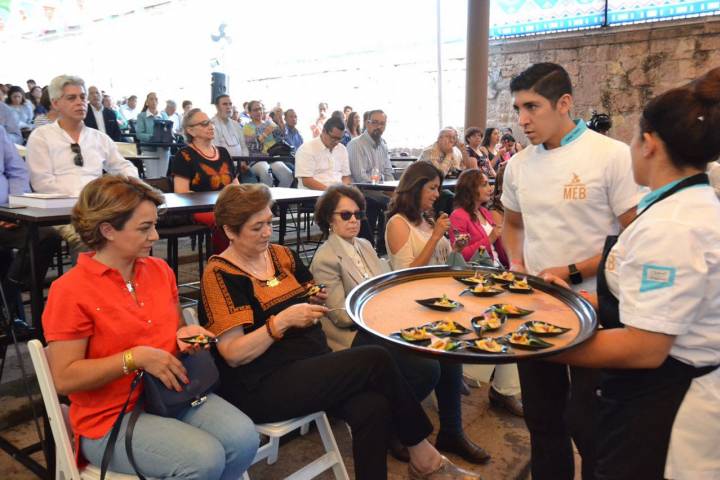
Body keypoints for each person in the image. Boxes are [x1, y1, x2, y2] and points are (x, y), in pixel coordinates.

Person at [200, 182, 481, 480]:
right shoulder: (219, 274)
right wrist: (280, 321)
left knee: (374, 407)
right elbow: (233, 355)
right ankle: (424, 457)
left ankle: (418, 459)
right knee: (375, 357)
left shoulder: (280, 255)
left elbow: (309, 290)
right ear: (230, 231)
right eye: (257, 228)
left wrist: (313, 298)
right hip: (262, 383)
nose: (268, 233)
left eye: (269, 222)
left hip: (310, 364)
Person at [540, 67, 720, 480]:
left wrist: (537, 346)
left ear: (650, 144)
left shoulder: (673, 225)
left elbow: (645, 346)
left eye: (634, 137)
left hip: (667, 404)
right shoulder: (678, 204)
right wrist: (569, 303)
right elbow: (644, 302)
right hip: (652, 393)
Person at [42, 175, 258, 479]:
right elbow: (64, 378)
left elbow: (175, 332)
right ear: (107, 230)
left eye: (154, 225)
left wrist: (184, 336)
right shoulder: (70, 291)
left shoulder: (158, 271)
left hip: (171, 395)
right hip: (110, 418)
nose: (155, 236)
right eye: (145, 228)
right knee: (202, 460)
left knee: (244, 438)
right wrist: (135, 358)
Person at [501, 62, 642, 480]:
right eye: (517, 108)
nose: (522, 120)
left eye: (532, 107)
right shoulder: (518, 165)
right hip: (536, 306)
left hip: (597, 306)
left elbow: (634, 238)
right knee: (543, 420)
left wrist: (574, 272)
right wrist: (518, 264)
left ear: (564, 103)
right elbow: (512, 223)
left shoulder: (610, 156)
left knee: (590, 422)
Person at [310, 184, 491, 465]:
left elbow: (387, 285)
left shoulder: (365, 245)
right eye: (345, 215)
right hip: (353, 337)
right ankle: (395, 426)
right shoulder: (325, 258)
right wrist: (386, 308)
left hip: (381, 324)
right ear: (328, 219)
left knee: (447, 349)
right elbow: (341, 316)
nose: (354, 220)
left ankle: (452, 431)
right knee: (426, 368)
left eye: (358, 214)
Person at [384, 161, 491, 463]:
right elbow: (404, 274)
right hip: (409, 307)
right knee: (432, 366)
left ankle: (452, 431)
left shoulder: (426, 219)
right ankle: (396, 426)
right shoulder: (398, 223)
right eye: (431, 187)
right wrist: (434, 238)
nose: (436, 193)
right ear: (415, 186)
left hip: (437, 302)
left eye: (437, 188)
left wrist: (454, 243)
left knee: (452, 354)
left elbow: (441, 259)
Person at [26, 74, 138, 256]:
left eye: (83, 97)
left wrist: (129, 184)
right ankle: (90, 283)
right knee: (92, 238)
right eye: (72, 98)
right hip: (62, 211)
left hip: (100, 207)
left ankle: (128, 283)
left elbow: (123, 166)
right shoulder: (41, 136)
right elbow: (43, 184)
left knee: (135, 231)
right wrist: (87, 201)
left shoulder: (98, 137)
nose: (80, 102)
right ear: (55, 103)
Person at [447, 169, 523, 417]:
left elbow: (501, 253)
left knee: (517, 314)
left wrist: (516, 266)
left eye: (489, 184)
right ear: (470, 189)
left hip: (493, 272)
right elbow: (461, 256)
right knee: (507, 316)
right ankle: (487, 380)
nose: (489, 189)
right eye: (483, 185)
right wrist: (489, 239)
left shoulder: (486, 213)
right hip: (472, 277)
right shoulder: (459, 216)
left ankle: (503, 387)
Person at [0, 124, 60, 319]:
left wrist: (14, 208)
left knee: (45, 235)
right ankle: (8, 314)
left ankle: (7, 300)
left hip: (5, 211)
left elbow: (17, 170)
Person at [172, 108, 239, 253]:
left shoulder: (223, 152)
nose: (210, 126)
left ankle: (252, 261)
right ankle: (225, 262)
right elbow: (181, 193)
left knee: (251, 214)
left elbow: (235, 186)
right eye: (204, 124)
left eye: (210, 122)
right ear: (191, 131)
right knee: (226, 219)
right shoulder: (184, 155)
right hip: (198, 209)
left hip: (226, 205)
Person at [347, 109, 394, 252]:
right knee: (379, 203)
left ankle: (385, 245)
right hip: (361, 192)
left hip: (379, 190)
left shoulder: (383, 145)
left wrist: (394, 189)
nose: (378, 127)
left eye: (382, 124)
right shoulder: (356, 144)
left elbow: (388, 172)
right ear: (367, 124)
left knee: (401, 201)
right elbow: (360, 177)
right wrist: (384, 188)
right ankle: (369, 248)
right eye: (375, 123)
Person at [211, 94, 266, 184]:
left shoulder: (235, 125)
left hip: (241, 166)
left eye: (230, 104)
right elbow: (216, 151)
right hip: (223, 169)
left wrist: (243, 161)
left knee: (254, 189)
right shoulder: (212, 125)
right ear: (217, 107)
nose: (228, 107)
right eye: (225, 104)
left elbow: (243, 146)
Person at [242, 100, 293, 187]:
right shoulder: (247, 127)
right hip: (256, 160)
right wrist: (266, 133)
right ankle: (265, 198)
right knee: (266, 171)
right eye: (255, 110)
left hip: (272, 158)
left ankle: (278, 199)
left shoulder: (269, 123)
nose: (259, 112)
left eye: (260, 109)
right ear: (249, 113)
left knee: (287, 175)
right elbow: (252, 147)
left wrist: (280, 120)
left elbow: (281, 138)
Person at [135, 92, 170, 178]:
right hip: (149, 150)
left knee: (163, 177)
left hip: (164, 149)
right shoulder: (141, 116)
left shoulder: (163, 115)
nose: (154, 101)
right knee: (152, 177)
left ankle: (162, 192)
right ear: (147, 102)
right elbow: (139, 134)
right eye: (151, 99)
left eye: (156, 99)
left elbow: (169, 130)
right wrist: (153, 137)